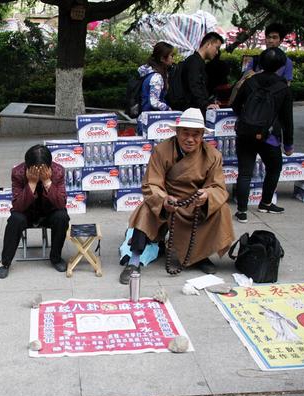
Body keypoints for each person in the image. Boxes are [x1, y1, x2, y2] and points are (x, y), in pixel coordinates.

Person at [119, 108, 235, 284]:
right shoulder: (162, 150)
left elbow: (218, 187)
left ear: (203, 135)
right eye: (185, 133)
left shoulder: (213, 155)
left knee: (221, 209)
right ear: (177, 132)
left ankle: (199, 256)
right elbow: (151, 183)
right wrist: (163, 199)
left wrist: (207, 195)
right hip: (167, 200)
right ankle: (134, 261)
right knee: (145, 209)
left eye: (196, 134)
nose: (190, 139)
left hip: (195, 203)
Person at [231, 48, 294, 223]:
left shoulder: (249, 82)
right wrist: (288, 145)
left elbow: (236, 106)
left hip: (245, 134)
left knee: (244, 173)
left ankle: (242, 212)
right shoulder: (283, 87)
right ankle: (265, 203)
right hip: (270, 137)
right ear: (281, 64)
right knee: (274, 168)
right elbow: (287, 119)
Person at [0, 145, 70, 279]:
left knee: (62, 216)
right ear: (27, 166)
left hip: (49, 212)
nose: (39, 173)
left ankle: (56, 258)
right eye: (35, 170)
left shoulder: (58, 171)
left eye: (43, 170)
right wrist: (31, 183)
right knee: (15, 219)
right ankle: (5, 263)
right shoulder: (18, 172)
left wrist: (47, 181)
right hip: (27, 212)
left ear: (49, 166)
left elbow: (61, 203)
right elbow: (17, 206)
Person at [179, 32, 223, 115]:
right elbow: (194, 86)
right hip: (192, 113)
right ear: (208, 44)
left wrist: (210, 102)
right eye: (217, 48)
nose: (217, 52)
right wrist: (206, 104)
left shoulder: (198, 62)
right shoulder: (194, 62)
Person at [138, 41, 175, 112]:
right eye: (171, 56)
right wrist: (168, 109)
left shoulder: (148, 73)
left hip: (145, 117)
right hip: (152, 118)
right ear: (162, 59)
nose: (173, 59)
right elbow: (154, 102)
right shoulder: (156, 77)